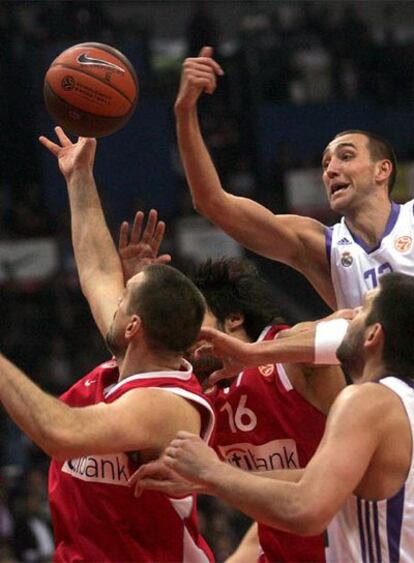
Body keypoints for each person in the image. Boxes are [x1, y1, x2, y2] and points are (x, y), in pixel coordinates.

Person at [0, 128, 218, 562]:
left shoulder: (164, 404)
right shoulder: (128, 359)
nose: (115, 288)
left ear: (134, 324)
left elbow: (60, 433)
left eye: (127, 290)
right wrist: (79, 176)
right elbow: (97, 270)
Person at [145, 272, 414, 563]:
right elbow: (312, 479)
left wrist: (211, 472)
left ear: (374, 335)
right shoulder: (397, 403)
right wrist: (204, 479)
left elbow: (305, 508)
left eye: (362, 309)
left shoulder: (367, 399)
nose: (350, 314)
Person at [133, 256, 346, 562]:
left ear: (233, 318)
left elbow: (350, 332)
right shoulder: (203, 396)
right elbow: (263, 526)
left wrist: (253, 353)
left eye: (193, 318)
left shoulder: (289, 355)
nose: (183, 334)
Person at [175, 46, 414, 310]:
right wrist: (185, 112)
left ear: (382, 170)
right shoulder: (321, 246)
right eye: (326, 163)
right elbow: (212, 203)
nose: (330, 170)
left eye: (346, 156)